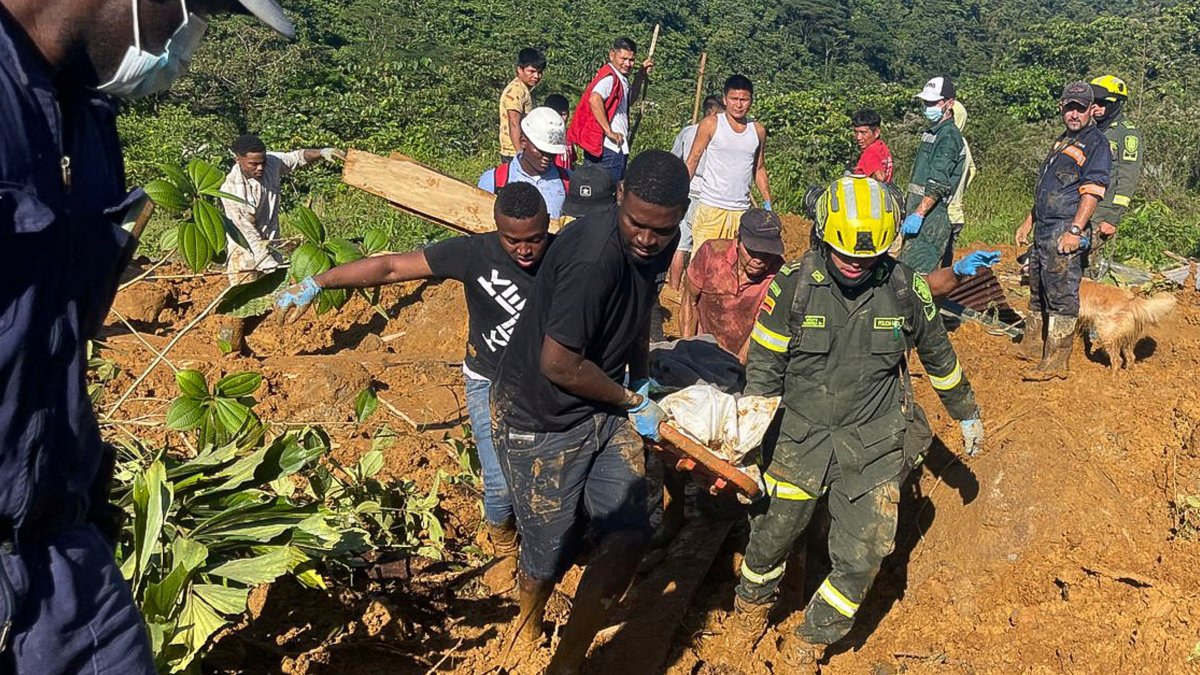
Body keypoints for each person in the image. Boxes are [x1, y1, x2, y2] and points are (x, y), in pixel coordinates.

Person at [0, 0, 292, 671]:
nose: (189, 39)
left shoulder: (90, 124)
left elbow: (54, 341)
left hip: (61, 545)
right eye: (200, 8)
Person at [726, 176, 984, 668]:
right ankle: (749, 612)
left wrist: (966, 413)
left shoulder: (905, 288)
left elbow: (939, 357)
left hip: (874, 443)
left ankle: (810, 641)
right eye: (844, 254)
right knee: (771, 539)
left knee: (865, 551)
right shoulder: (794, 286)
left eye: (866, 259)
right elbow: (763, 371)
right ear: (822, 236)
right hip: (798, 440)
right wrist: (747, 446)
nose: (855, 265)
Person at [276, 183, 552, 593]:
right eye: (514, 240)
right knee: (500, 486)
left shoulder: (564, 256)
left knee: (546, 479)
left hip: (544, 384)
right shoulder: (473, 253)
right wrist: (317, 282)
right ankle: (503, 544)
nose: (526, 250)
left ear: (548, 227)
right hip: (487, 380)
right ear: (497, 230)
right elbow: (390, 268)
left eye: (535, 239)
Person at [490, 150, 686, 674]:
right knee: (548, 551)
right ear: (619, 199)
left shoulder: (657, 246)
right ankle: (527, 621)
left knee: (629, 535)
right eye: (637, 224)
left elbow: (641, 309)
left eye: (661, 230)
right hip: (541, 415)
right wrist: (630, 400)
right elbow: (557, 363)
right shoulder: (594, 256)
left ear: (681, 215)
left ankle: (567, 661)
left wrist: (640, 373)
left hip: (601, 404)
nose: (647, 239)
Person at [1015, 81, 1111, 380]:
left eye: (1080, 109)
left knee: (1061, 292)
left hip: (1064, 227)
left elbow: (1092, 192)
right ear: (1062, 107)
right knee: (1038, 287)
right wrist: (1028, 221)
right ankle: (1033, 345)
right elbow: (1050, 187)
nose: (1074, 114)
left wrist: (1075, 230)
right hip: (1044, 226)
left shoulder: (1095, 143)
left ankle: (1056, 361)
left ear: (1090, 111)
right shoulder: (1063, 141)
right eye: (1069, 107)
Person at [220, 134, 342, 281]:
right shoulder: (231, 189)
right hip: (245, 254)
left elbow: (297, 157)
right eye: (253, 164)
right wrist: (267, 262)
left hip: (273, 244)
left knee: (275, 298)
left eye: (262, 162)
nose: (260, 168)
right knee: (245, 298)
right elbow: (246, 232)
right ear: (238, 160)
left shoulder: (271, 163)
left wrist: (323, 152)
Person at [681, 209, 784, 362]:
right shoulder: (711, 253)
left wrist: (737, 368)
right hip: (701, 349)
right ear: (737, 240)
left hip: (746, 359)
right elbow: (690, 300)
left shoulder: (779, 275)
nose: (759, 259)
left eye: (767, 253)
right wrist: (686, 353)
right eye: (753, 251)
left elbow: (759, 328)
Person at [685, 74, 772, 251]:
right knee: (702, 266)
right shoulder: (711, 124)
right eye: (734, 99)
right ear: (725, 99)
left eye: (744, 99)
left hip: (741, 212)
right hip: (711, 208)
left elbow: (759, 168)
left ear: (751, 101)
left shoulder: (757, 131)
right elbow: (693, 159)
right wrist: (679, 193)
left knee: (732, 268)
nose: (738, 105)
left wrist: (767, 203)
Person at [898, 76, 966, 273]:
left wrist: (919, 214)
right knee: (906, 272)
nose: (928, 107)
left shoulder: (949, 137)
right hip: (918, 213)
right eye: (926, 102)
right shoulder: (932, 132)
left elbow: (938, 182)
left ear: (949, 103)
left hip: (930, 219)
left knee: (916, 276)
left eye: (933, 102)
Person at [567, 37, 653, 182]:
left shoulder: (619, 78)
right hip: (608, 148)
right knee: (606, 192)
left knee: (596, 190)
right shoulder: (610, 78)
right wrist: (609, 131)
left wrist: (639, 76)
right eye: (623, 58)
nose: (627, 64)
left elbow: (628, 100)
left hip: (611, 147)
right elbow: (595, 99)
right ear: (612, 55)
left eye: (631, 60)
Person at [668, 94, 726, 291]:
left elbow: (675, 159)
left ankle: (675, 288)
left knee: (682, 243)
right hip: (709, 195)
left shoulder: (687, 132)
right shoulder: (720, 134)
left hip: (688, 189)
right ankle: (691, 290)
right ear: (714, 114)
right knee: (702, 246)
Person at [479, 107, 569, 221]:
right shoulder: (494, 181)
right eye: (541, 151)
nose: (547, 157)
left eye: (551, 153)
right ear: (523, 142)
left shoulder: (567, 180)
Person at [1088, 76, 1142, 267]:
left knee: (1087, 265)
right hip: (1080, 206)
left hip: (1103, 210)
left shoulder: (1126, 134)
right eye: (1093, 101)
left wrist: (1112, 217)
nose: (1096, 107)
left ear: (1116, 104)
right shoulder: (1090, 130)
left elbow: (1127, 178)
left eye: (1102, 103)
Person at [499, 48, 546, 163]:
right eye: (532, 71)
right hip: (513, 152)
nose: (536, 76)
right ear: (520, 70)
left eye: (539, 72)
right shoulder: (516, 91)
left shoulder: (524, 90)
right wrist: (520, 154)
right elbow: (514, 123)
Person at [946, 101, 977, 267]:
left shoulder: (949, 142)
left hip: (943, 215)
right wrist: (959, 193)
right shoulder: (963, 142)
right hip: (956, 213)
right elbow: (972, 170)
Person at [851, 109, 894, 183]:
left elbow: (880, 177)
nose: (858, 137)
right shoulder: (881, 146)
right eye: (856, 132)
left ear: (876, 132)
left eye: (863, 133)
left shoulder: (870, 152)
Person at [544, 93, 577, 172]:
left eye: (564, 114)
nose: (560, 118)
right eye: (557, 114)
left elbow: (572, 159)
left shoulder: (568, 135)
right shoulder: (544, 136)